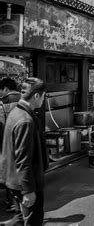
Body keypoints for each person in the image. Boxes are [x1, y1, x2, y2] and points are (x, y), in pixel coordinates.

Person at [0, 77, 49, 225]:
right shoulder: (25, 120)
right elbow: (23, 159)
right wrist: (28, 190)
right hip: (25, 183)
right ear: (36, 96)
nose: (43, 100)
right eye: (43, 96)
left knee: (20, 219)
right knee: (32, 221)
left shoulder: (15, 112)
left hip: (13, 180)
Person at [0, 78, 21, 214]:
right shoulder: (25, 99)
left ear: (6, 89)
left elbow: (1, 124)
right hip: (21, 139)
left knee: (9, 171)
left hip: (7, 141)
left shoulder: (3, 103)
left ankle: (12, 202)